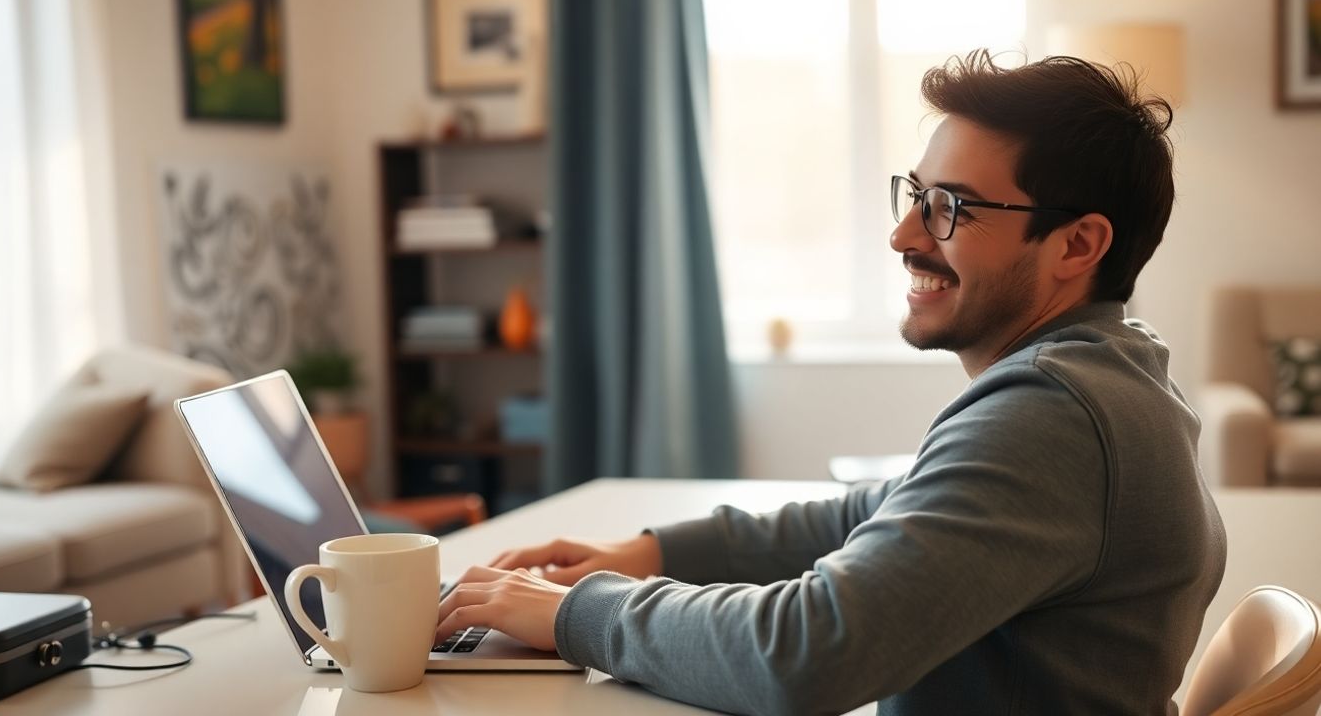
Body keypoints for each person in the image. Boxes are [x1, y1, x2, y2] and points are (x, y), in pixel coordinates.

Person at [435, 50, 1227, 715]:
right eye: (917, 194)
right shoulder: (1109, 370)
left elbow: (806, 652)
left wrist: (578, 612)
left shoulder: (1057, 414)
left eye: (950, 208)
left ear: (1078, 244)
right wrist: (645, 551)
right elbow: (873, 513)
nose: (904, 234)